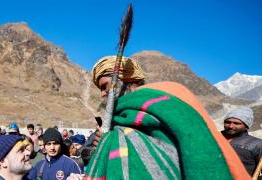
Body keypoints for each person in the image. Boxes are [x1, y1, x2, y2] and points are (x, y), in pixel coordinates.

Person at [87, 55, 250, 179]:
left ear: (125, 78)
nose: (102, 94)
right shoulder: (122, 114)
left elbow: (197, 143)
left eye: (104, 86)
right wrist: (106, 143)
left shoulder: (168, 94)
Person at [222, 107, 262, 176]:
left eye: (236, 123)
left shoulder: (257, 144)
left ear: (246, 126)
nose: (231, 126)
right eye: (228, 122)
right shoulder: (213, 138)